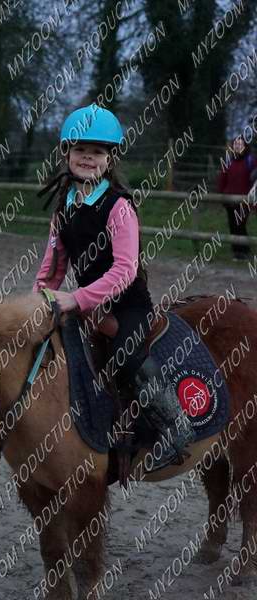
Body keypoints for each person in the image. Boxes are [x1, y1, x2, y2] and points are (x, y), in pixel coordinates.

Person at [32, 104, 195, 470]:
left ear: (109, 159)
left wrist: (74, 299)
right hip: (87, 306)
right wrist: (37, 300)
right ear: (67, 154)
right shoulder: (62, 208)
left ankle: (176, 427)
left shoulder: (119, 207)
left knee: (126, 357)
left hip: (128, 306)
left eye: (97, 151)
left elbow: (124, 271)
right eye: (80, 149)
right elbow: (52, 268)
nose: (88, 157)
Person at [217, 135, 257, 261]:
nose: (238, 147)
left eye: (240, 144)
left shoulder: (251, 161)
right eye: (236, 144)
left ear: (245, 147)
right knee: (233, 225)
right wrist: (221, 195)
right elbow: (222, 179)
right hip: (229, 200)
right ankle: (237, 252)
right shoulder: (228, 161)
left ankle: (243, 251)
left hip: (244, 201)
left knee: (240, 225)